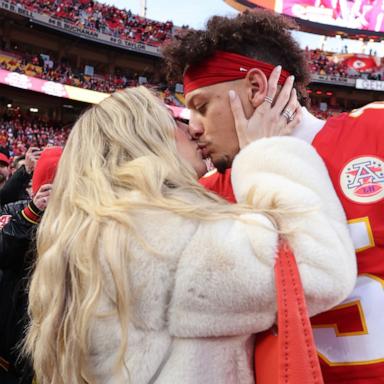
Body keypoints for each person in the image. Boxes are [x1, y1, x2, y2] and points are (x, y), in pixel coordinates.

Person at [24, 86, 355, 384]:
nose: (192, 129)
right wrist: (267, 150)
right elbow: (318, 268)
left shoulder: (99, 229)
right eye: (174, 121)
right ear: (146, 138)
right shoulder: (156, 236)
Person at [162, 9, 384, 383]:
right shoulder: (208, 192)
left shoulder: (375, 131)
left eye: (201, 106)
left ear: (255, 88)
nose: (193, 127)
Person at [0, 147, 59, 384]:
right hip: (10, 341)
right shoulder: (16, 210)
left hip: (49, 344)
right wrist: (32, 213)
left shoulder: (80, 221)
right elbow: (3, 254)